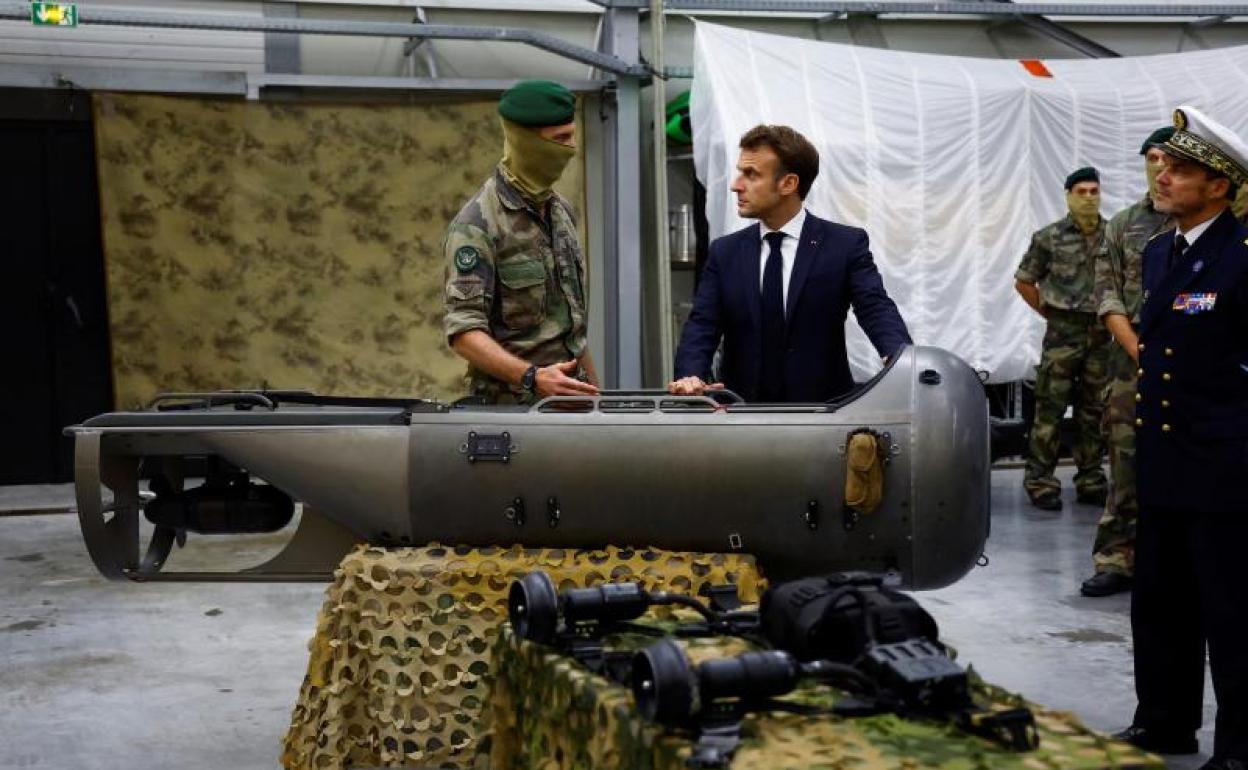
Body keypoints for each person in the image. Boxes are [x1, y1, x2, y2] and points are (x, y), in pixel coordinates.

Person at [1113, 106, 1248, 770]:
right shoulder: (1161, 250)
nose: (1162, 176)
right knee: (1160, 603)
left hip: (1227, 464)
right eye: (1162, 164)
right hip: (1166, 459)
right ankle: (1164, 722)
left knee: (1233, 616)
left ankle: (1243, 747)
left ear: (1219, 185)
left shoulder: (1242, 254)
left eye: (1181, 168)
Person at [669, 124, 910, 402]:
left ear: (788, 184)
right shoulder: (725, 252)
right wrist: (690, 376)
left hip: (824, 418)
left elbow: (875, 308)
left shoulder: (844, 246)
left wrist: (902, 363)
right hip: (740, 418)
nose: (736, 185)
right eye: (740, 172)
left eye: (751, 174)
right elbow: (702, 325)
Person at [442, 81, 599, 404]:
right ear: (526, 143)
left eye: (572, 135)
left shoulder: (560, 213)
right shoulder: (477, 225)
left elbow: (573, 335)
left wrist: (599, 401)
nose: (572, 148)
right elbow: (463, 333)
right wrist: (532, 377)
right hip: (512, 412)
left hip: (569, 408)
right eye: (560, 140)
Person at [1081, 128, 1174, 598]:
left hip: (1189, 362)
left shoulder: (1199, 222)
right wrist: (1138, 348)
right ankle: (1117, 557)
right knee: (1124, 459)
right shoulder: (1123, 225)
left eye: (1168, 157)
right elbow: (1107, 295)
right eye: (1152, 157)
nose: (1159, 166)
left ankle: (1175, 559)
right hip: (1129, 365)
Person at [1014, 167, 1111, 511]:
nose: (1088, 198)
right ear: (1069, 195)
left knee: (1094, 411)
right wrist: (1050, 312)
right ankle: (1040, 481)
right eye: (1081, 191)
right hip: (1061, 335)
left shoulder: (1114, 235)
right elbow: (1024, 280)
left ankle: (1091, 479)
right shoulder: (1049, 237)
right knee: (1049, 409)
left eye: (1094, 191)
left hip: (1101, 335)